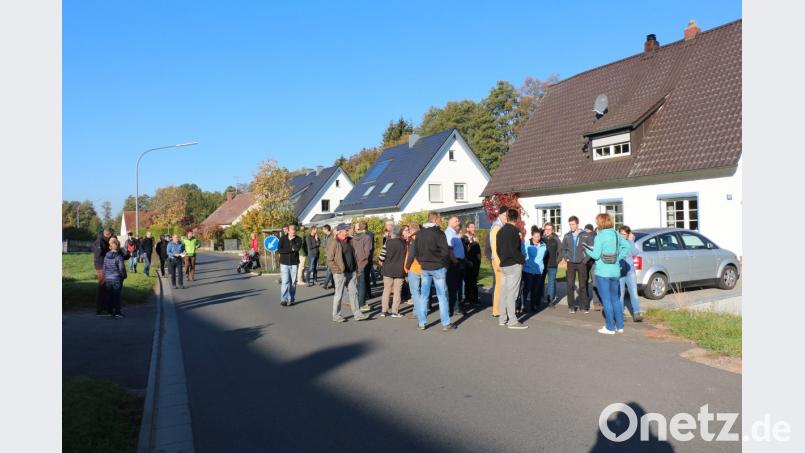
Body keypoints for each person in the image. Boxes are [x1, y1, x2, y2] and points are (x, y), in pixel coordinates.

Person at [407, 211, 454, 331]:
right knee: (441, 296)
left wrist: (422, 261)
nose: (440, 221)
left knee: (424, 296)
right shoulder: (439, 233)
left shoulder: (420, 234)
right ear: (435, 219)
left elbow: (416, 252)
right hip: (438, 267)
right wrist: (443, 264)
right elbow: (445, 252)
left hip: (425, 267)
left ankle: (421, 323)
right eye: (439, 219)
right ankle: (445, 323)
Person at [585, 213, 631, 334]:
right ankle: (620, 326)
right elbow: (627, 246)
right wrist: (618, 257)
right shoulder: (616, 234)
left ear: (600, 223)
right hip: (615, 271)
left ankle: (610, 327)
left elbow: (595, 255)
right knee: (615, 299)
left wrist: (586, 250)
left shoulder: (599, 236)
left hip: (602, 272)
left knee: (606, 300)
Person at [326, 224, 367, 322]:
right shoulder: (334, 242)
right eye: (346, 230)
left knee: (354, 293)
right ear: (340, 231)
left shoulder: (349, 240)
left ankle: (357, 314)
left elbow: (353, 254)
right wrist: (337, 270)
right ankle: (336, 315)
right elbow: (329, 259)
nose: (348, 231)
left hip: (351, 272)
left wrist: (356, 269)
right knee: (339, 294)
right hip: (340, 273)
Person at [496, 209, 528, 329]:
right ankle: (512, 321)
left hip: (504, 264)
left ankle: (502, 318)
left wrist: (503, 259)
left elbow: (498, 250)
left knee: (503, 293)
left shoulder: (500, 231)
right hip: (514, 264)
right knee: (512, 294)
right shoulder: (515, 231)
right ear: (517, 218)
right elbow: (515, 250)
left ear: (507, 217)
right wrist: (522, 260)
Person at [561, 216, 594, 314]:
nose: (571, 226)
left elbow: (591, 249)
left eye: (573, 224)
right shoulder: (567, 236)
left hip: (582, 263)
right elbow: (563, 248)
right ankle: (571, 306)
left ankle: (584, 306)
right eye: (570, 224)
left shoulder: (585, 235)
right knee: (570, 285)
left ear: (577, 224)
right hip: (570, 263)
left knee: (582, 285)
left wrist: (585, 260)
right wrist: (566, 257)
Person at [378, 225, 407, 318]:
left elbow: (381, 257)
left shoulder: (388, 242)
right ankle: (395, 312)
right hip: (400, 269)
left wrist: (381, 263)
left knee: (386, 290)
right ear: (400, 233)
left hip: (387, 269)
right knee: (397, 291)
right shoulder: (404, 243)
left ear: (393, 232)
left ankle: (384, 311)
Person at [618, 225, 644, 322]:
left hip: (630, 272)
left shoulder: (629, 242)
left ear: (628, 235)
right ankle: (620, 314)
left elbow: (635, 253)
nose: (622, 236)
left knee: (634, 293)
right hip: (619, 272)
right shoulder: (616, 243)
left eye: (624, 234)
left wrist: (631, 241)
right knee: (620, 295)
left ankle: (636, 313)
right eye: (621, 234)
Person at [521, 227, 547, 313]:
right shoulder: (527, 244)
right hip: (528, 270)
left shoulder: (544, 245)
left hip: (538, 271)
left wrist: (541, 267)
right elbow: (524, 255)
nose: (538, 238)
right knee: (526, 289)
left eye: (539, 236)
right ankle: (523, 306)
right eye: (536, 236)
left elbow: (543, 257)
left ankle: (533, 306)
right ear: (532, 236)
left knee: (535, 290)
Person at [489, 206, 508, 317]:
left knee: (501, 286)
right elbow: (494, 247)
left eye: (507, 216)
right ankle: (496, 310)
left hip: (501, 260)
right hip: (498, 260)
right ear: (500, 215)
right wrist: (498, 262)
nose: (506, 217)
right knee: (499, 286)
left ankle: (499, 309)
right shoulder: (497, 227)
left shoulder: (501, 226)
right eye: (505, 215)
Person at [445, 216, 466, 316]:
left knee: (456, 286)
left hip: (458, 262)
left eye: (458, 220)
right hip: (453, 263)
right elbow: (449, 249)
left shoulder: (454, 233)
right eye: (456, 221)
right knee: (452, 287)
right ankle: (452, 309)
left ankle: (455, 307)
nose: (458, 222)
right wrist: (455, 261)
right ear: (450, 222)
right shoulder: (449, 233)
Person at [278, 224, 303, 306]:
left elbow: (296, 249)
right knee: (285, 282)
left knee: (292, 283)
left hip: (294, 264)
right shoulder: (283, 238)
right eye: (291, 231)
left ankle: (291, 299)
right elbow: (279, 250)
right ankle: (283, 299)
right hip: (284, 263)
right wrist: (290, 250)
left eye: (294, 231)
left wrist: (292, 241)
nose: (293, 233)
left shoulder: (298, 239)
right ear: (288, 231)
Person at [92, 228, 115, 316]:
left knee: (105, 287)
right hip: (101, 266)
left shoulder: (104, 240)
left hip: (104, 265)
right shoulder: (100, 241)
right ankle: (100, 310)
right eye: (112, 235)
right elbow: (98, 254)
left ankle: (105, 307)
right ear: (109, 234)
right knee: (102, 287)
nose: (112, 236)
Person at [103, 238, 128, 319]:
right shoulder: (119, 257)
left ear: (110, 247)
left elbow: (104, 268)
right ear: (118, 247)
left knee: (109, 296)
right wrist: (124, 276)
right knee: (116, 296)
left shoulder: (106, 256)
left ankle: (109, 312)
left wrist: (105, 276)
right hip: (117, 278)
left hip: (108, 278)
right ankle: (117, 312)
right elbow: (121, 268)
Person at [352, 222, 374, 312]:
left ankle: (359, 303)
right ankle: (361, 304)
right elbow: (368, 252)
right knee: (362, 284)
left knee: (358, 284)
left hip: (355, 263)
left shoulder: (353, 238)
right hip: (363, 263)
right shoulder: (367, 237)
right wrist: (365, 261)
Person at [404, 223, 423, 319]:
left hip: (414, 267)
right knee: (422, 291)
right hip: (424, 267)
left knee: (415, 292)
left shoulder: (413, 239)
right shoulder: (424, 237)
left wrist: (407, 266)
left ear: (411, 230)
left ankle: (418, 312)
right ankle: (418, 310)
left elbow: (411, 254)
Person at [541, 222, 561, 307]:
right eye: (546, 229)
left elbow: (560, 251)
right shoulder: (541, 239)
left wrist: (557, 261)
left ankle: (550, 300)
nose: (548, 231)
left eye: (549, 229)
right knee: (540, 282)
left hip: (553, 265)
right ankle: (540, 298)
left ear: (552, 230)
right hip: (542, 265)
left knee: (551, 283)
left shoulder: (556, 239)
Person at [462, 222, 481, 306]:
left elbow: (478, 252)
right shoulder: (464, 238)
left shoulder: (475, 238)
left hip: (476, 263)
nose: (473, 228)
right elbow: (464, 251)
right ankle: (467, 299)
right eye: (472, 227)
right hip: (467, 263)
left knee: (474, 281)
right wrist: (470, 241)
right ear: (467, 228)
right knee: (467, 281)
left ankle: (475, 299)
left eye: (474, 227)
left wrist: (478, 262)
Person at [585, 223, 603, 311]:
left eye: (588, 230)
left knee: (595, 283)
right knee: (585, 281)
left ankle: (596, 302)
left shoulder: (600, 238)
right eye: (586, 230)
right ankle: (585, 300)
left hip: (594, 263)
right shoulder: (587, 237)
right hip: (586, 262)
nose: (587, 231)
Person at [319, 225, 335, 289]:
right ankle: (333, 284)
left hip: (331, 255)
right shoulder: (325, 236)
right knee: (330, 270)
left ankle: (325, 284)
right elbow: (322, 244)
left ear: (327, 229)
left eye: (323, 229)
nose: (322, 231)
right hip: (326, 255)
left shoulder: (332, 236)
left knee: (329, 270)